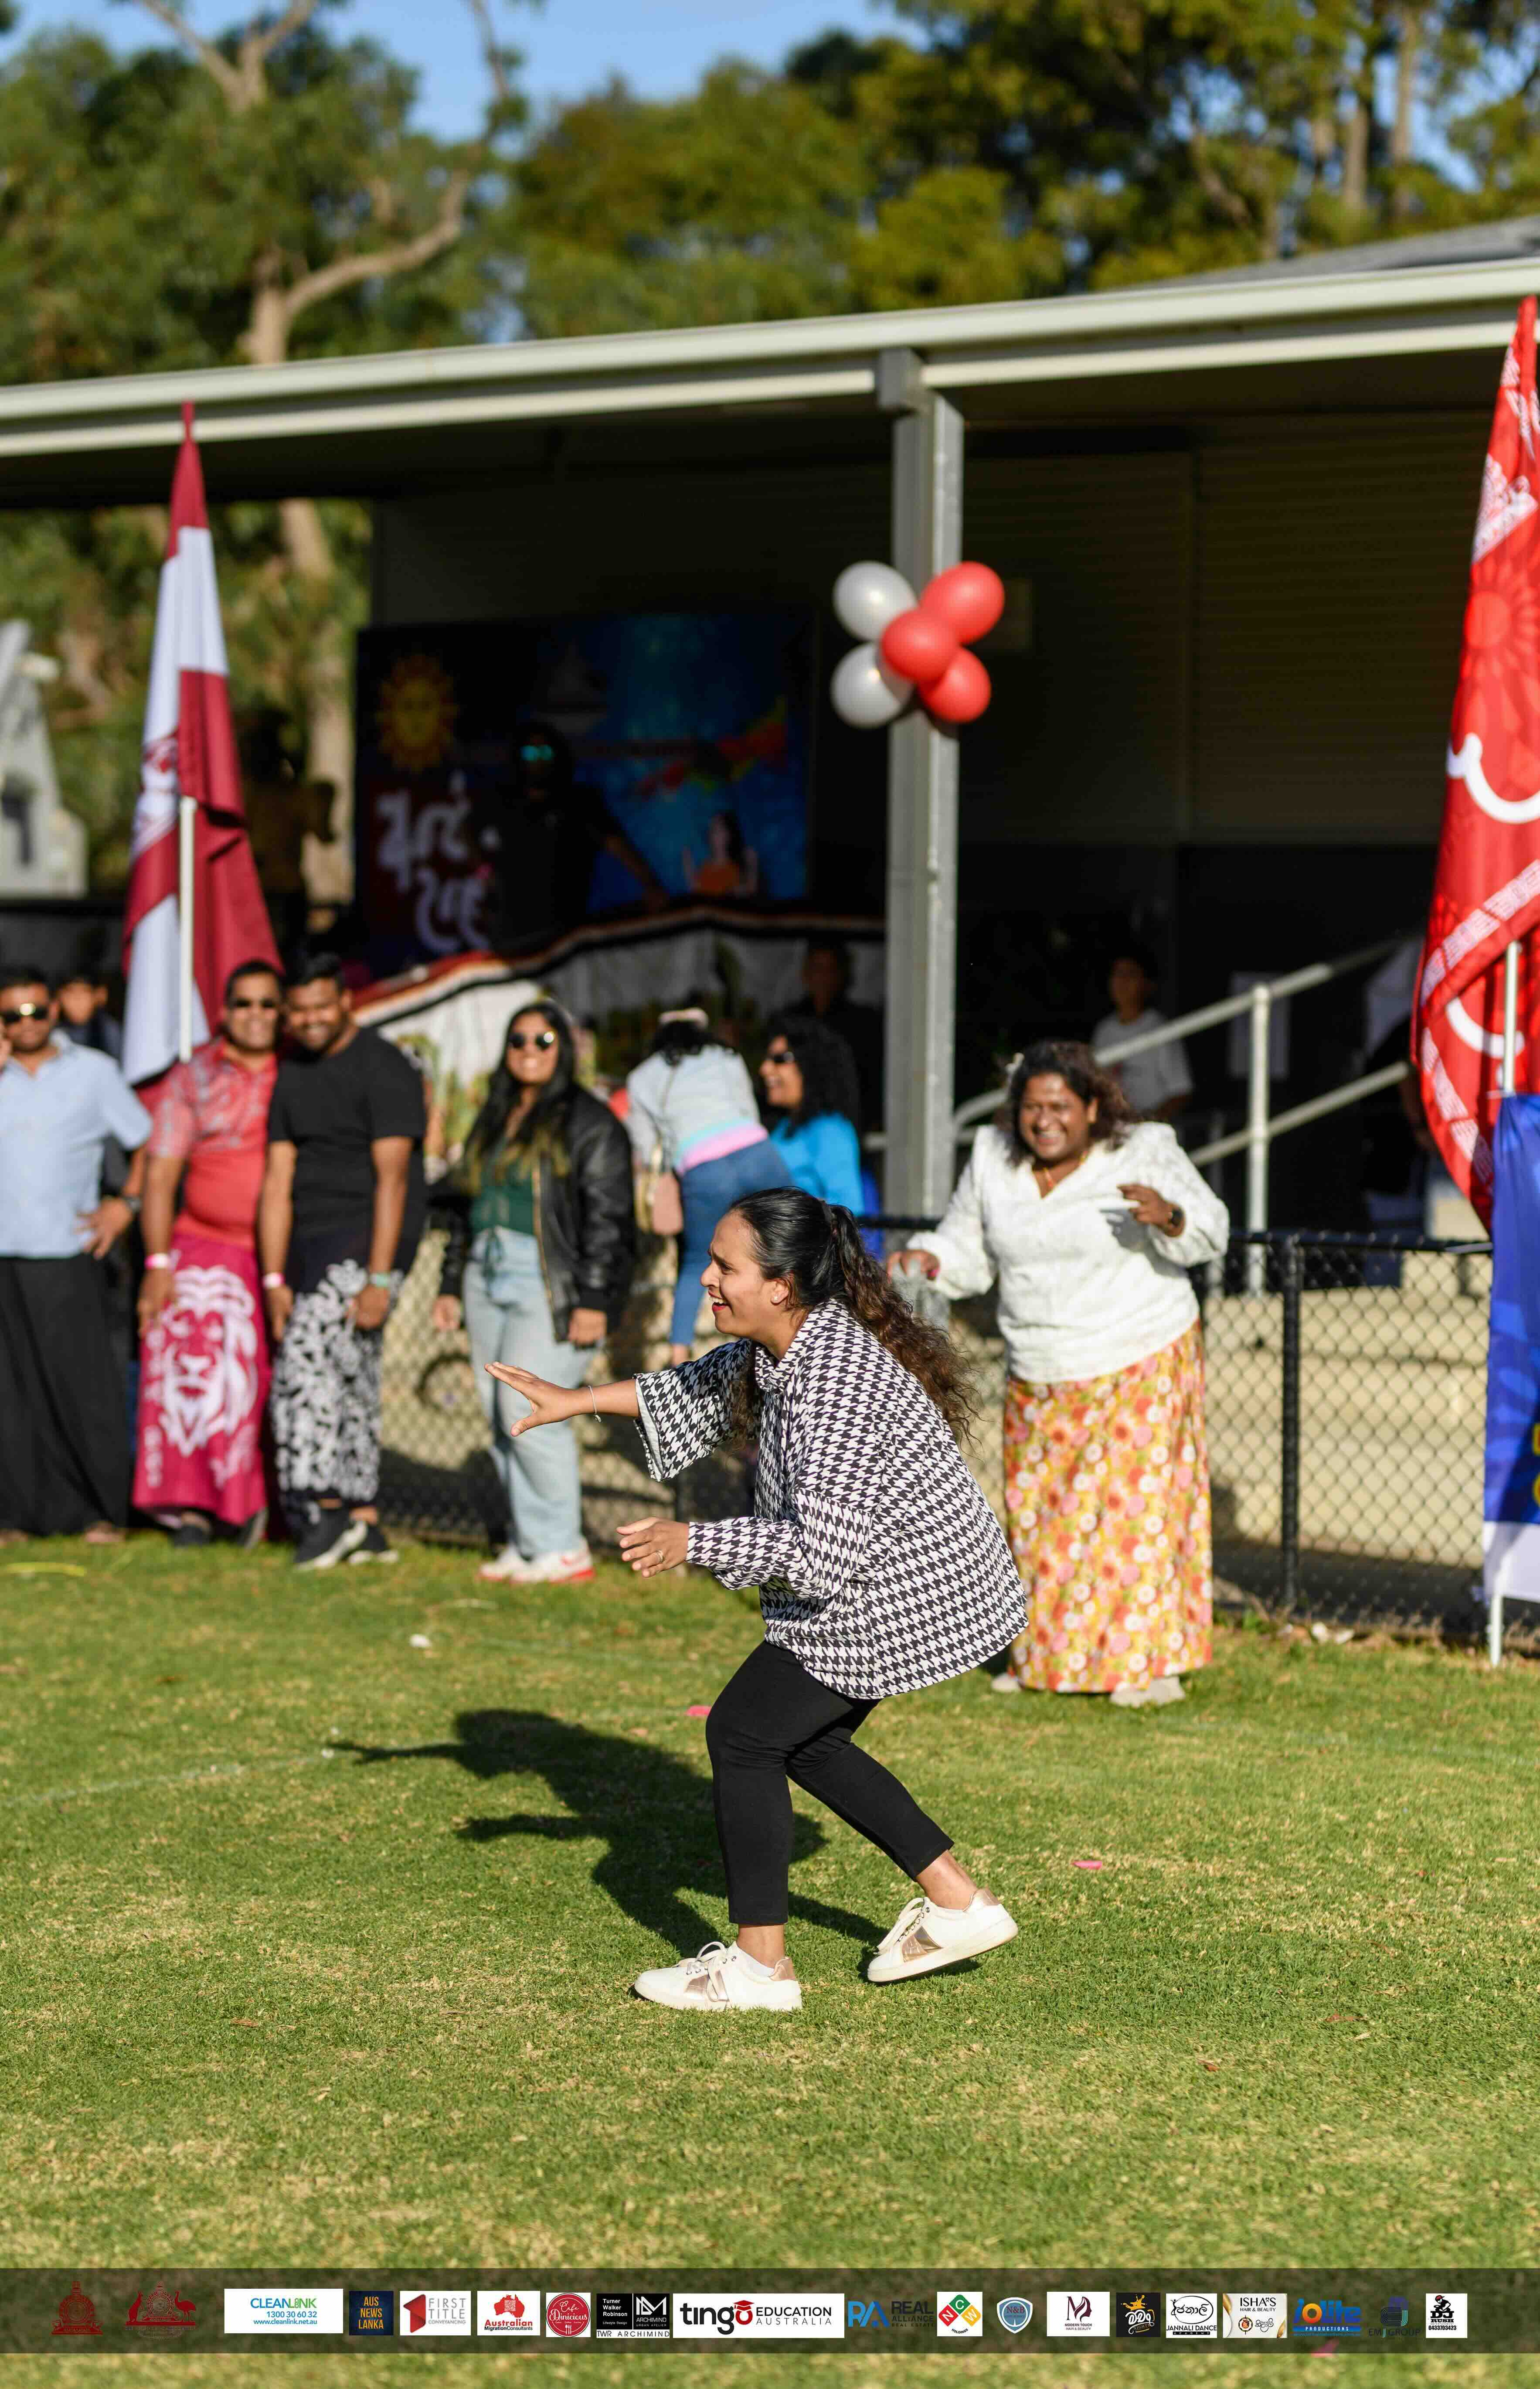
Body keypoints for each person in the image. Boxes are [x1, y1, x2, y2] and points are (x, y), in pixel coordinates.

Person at [486, 1188, 1024, 2012]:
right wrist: (572, 1400)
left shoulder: (833, 1384)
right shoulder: (784, 1342)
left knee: (742, 1733)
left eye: (723, 1265)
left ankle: (758, 1967)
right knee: (800, 1742)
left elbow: (821, 1551)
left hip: (901, 1589)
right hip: (885, 1580)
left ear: (779, 1283)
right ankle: (958, 1902)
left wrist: (691, 1540)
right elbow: (696, 1387)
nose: (704, 1278)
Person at [891, 1040, 1228, 1707]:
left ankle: (1144, 1665)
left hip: (1140, 1351)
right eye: (1031, 1107)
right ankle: (1046, 1654)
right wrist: (930, 1258)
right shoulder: (992, 1159)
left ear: (1093, 1106)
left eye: (1060, 1106)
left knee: (1135, 1519)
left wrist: (1170, 1217)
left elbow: (1211, 1228)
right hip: (1040, 1366)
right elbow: (966, 1247)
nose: (1044, 1120)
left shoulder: (1142, 1148)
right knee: (1043, 1518)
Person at [432, 999, 635, 1586]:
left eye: (543, 1040)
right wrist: (450, 1283)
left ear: (564, 1048)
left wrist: (593, 1298)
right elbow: (468, 1207)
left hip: (550, 1282)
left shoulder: (589, 1120)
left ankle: (564, 1547)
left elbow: (610, 1217)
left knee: (529, 1407)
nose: (529, 1050)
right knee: (500, 1414)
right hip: (485, 1272)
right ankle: (528, 1544)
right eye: (519, 1039)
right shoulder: (495, 1115)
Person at [258, 954, 427, 1569]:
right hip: (311, 1240)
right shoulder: (292, 1072)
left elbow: (395, 1181)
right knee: (350, 1371)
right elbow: (277, 1181)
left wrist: (380, 1277)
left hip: (371, 1240)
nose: (308, 1020)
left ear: (346, 1002)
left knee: (304, 1361)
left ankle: (323, 1509)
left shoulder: (384, 1067)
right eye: (297, 1010)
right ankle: (363, 1520)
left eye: (320, 1007)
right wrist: (274, 1276)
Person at [133, 959, 284, 1549]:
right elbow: (161, 1175)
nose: (254, 1015)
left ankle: (250, 1506)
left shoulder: (297, 1077)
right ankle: (190, 1509)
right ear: (224, 1010)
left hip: (269, 1257)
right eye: (243, 1003)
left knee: (249, 1385)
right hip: (195, 1250)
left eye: (267, 1004)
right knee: (183, 1381)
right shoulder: (192, 1077)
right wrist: (158, 1263)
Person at [0, 963, 150, 1544]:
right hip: (5, 1255)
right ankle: (14, 1514)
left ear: (55, 1010)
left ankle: (97, 1510)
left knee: (83, 1388)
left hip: (67, 1253)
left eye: (36, 1011)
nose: (27, 1023)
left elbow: (147, 1142)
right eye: (12, 1015)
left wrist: (126, 1205)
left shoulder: (94, 1073)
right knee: (10, 1395)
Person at [624, 1007, 790, 1366]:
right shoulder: (724, 1055)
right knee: (794, 1242)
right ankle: (820, 1326)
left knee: (696, 1261)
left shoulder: (641, 1078)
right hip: (756, 1152)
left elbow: (643, 1144)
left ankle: (678, 1356)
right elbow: (748, 1108)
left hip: (702, 1168)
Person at [759, 1015, 864, 1212]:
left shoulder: (830, 1129)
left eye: (780, 1059)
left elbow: (849, 1208)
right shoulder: (784, 1127)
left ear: (813, 1063)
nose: (765, 1069)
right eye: (767, 1059)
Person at [784, 937, 880, 1130]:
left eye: (830, 970)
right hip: (797, 1122)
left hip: (850, 1120)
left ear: (842, 974)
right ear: (806, 974)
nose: (823, 977)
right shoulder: (788, 1020)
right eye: (817, 969)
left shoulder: (863, 1023)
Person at [1090, 943, 1192, 1124]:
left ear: (1148, 984)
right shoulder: (1103, 1031)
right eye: (1117, 974)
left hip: (1149, 1132)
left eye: (1130, 975)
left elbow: (1181, 1092)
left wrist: (1145, 1124)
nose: (1122, 982)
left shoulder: (1160, 1029)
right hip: (1111, 1129)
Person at [56, 970, 123, 1060]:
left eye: (85, 992)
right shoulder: (51, 1030)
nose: (77, 1000)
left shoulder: (110, 1032)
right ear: (59, 996)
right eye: (70, 993)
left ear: (100, 996)